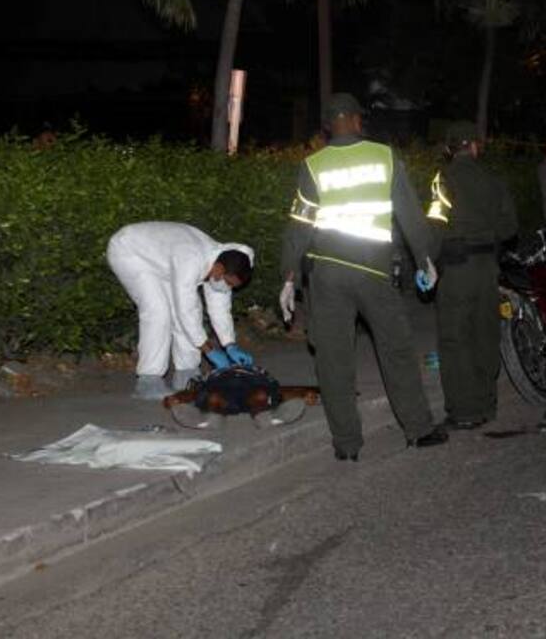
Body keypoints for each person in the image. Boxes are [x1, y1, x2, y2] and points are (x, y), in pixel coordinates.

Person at [280, 92, 447, 460]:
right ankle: (418, 430)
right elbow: (410, 216)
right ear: (357, 120)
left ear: (327, 126)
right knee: (397, 351)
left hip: (326, 276)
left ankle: (347, 445)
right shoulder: (384, 157)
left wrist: (288, 276)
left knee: (333, 361)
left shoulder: (313, 165)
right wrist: (425, 258)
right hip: (373, 272)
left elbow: (299, 226)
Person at [428, 121, 518, 430]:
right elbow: (510, 227)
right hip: (487, 268)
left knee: (455, 337)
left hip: (456, 267)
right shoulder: (493, 179)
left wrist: (426, 261)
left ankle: (464, 411)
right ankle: (486, 404)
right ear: (475, 146)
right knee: (484, 332)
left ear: (450, 148)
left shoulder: (445, 178)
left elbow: (435, 224)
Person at [107, 222, 255, 400]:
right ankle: (148, 380)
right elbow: (185, 309)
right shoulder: (190, 259)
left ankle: (187, 374)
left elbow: (220, 309)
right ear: (219, 269)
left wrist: (230, 345)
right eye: (229, 283)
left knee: (192, 313)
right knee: (158, 311)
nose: (229, 288)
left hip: (162, 259)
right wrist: (209, 351)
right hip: (130, 251)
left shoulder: (222, 264)